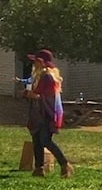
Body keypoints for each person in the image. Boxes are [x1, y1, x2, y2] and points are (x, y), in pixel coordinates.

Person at [25, 50, 73, 178]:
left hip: (46, 113)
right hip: (38, 113)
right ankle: (39, 168)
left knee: (45, 140)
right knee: (36, 140)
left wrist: (32, 95)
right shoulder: (40, 76)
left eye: (36, 61)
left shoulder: (48, 76)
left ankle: (65, 164)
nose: (34, 64)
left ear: (41, 62)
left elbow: (47, 96)